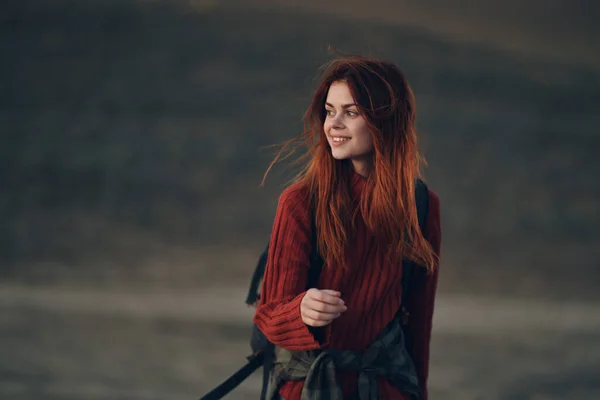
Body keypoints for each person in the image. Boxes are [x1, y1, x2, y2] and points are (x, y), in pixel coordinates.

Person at [253, 56, 442, 400]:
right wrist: (301, 311)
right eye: (329, 110)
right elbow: (268, 313)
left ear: (385, 120)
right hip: (310, 388)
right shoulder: (299, 202)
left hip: (385, 389)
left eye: (351, 112)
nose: (333, 124)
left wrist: (419, 393)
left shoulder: (421, 205)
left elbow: (418, 327)